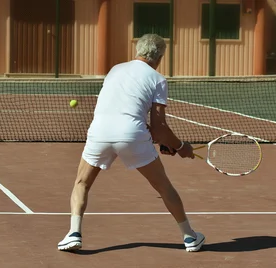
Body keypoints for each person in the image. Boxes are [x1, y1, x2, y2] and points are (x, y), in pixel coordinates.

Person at [57, 34, 206, 253]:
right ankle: (190, 237)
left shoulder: (115, 70)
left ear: (138, 50)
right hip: (132, 135)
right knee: (164, 187)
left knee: (82, 183)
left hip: (99, 132)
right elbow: (159, 127)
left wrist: (162, 140)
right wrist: (181, 147)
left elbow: (121, 109)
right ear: (160, 56)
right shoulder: (157, 79)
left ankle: (74, 233)